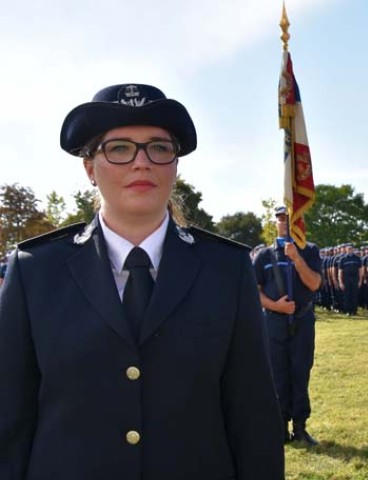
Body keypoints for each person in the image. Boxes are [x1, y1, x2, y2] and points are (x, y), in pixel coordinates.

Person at [0, 84, 283, 478]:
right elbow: (9, 420)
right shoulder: (35, 270)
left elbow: (253, 418)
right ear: (89, 168)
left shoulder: (225, 269)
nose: (141, 163)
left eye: (159, 148)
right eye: (118, 148)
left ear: (175, 165)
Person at [253, 205, 322, 446]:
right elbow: (255, 293)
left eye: (289, 218)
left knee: (300, 373)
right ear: (276, 223)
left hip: (302, 322)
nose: (284, 222)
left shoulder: (310, 251)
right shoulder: (263, 255)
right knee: (278, 375)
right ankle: (280, 427)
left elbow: (314, 284)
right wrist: (275, 306)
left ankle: (300, 427)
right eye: (281, 218)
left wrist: (296, 258)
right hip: (274, 323)